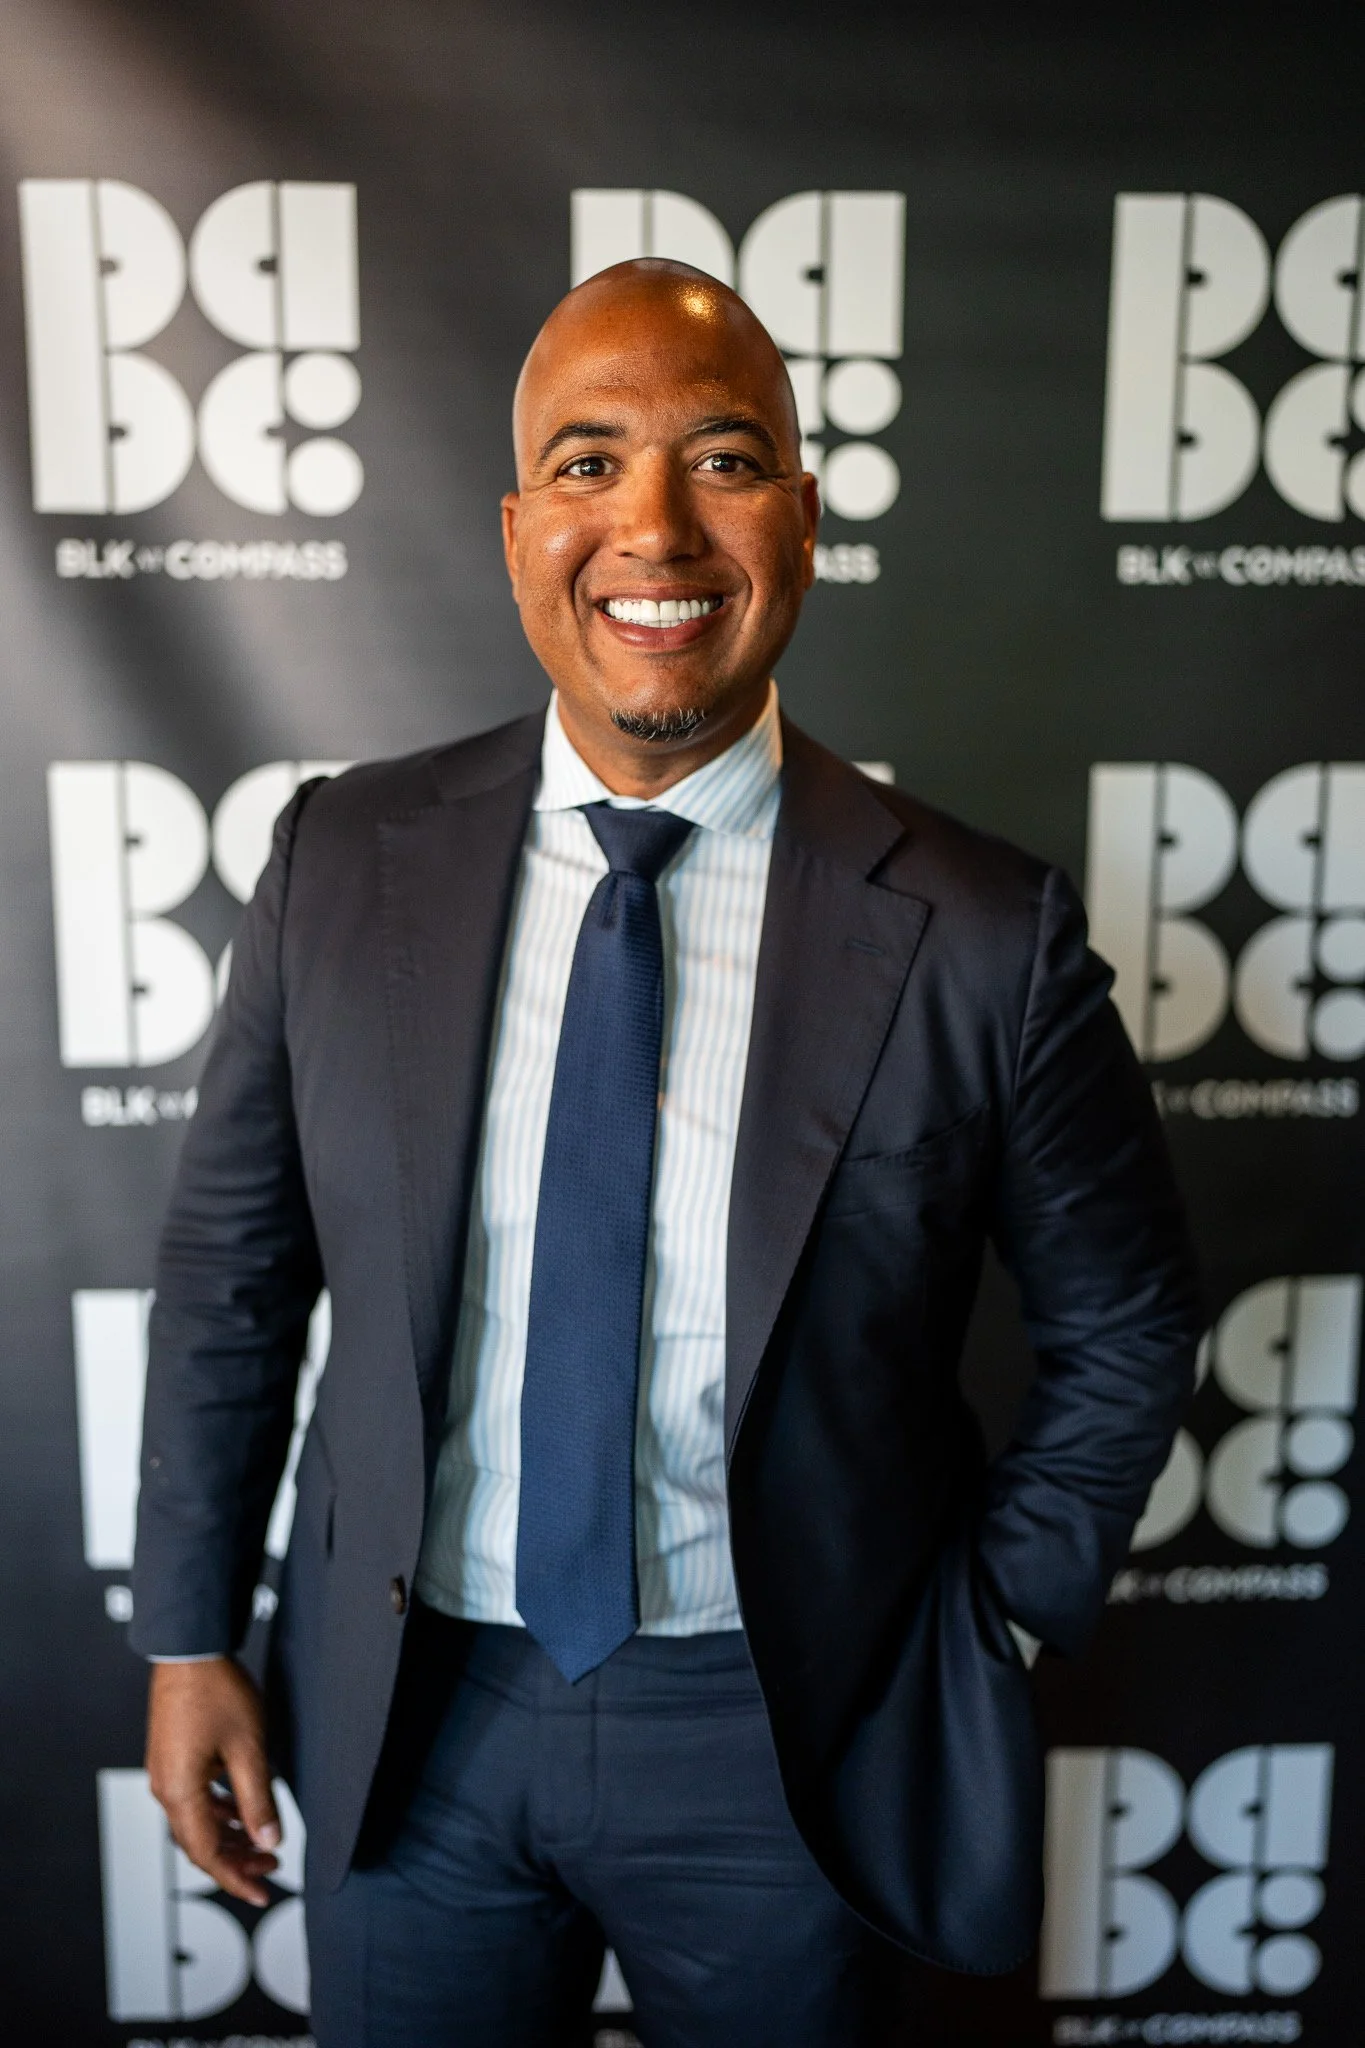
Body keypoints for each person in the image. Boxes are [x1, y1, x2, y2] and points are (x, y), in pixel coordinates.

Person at [132, 260, 1200, 2048]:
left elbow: (1129, 1320)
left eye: (720, 458)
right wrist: (187, 1640)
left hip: (797, 1736)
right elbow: (231, 1275)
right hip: (416, 1718)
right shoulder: (343, 857)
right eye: (585, 462)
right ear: (513, 528)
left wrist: (988, 1626)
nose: (652, 525)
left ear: (798, 514)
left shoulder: (979, 929)